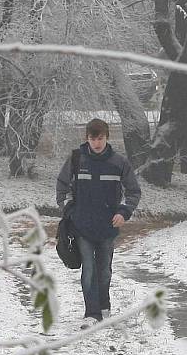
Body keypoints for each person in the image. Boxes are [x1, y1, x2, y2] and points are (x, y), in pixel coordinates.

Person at [55, 118, 141, 329]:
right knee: (89, 269)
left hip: (108, 227)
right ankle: (91, 313)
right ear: (87, 138)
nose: (97, 143)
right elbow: (62, 187)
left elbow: (133, 191)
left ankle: (104, 307)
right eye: (93, 138)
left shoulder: (119, 163)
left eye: (100, 138)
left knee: (104, 270)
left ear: (107, 137)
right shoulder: (77, 160)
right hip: (82, 226)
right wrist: (70, 211)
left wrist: (124, 212)